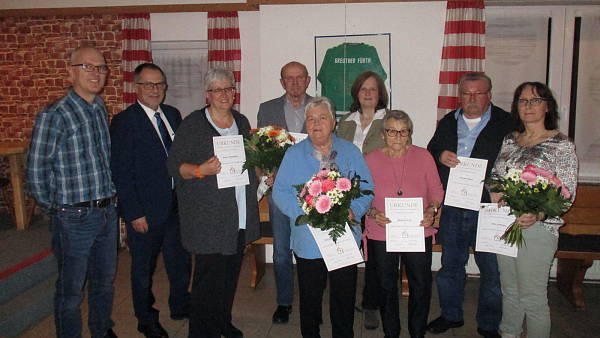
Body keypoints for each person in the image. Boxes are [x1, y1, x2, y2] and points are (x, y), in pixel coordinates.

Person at [26, 46, 118, 338]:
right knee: (71, 292)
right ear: (71, 72)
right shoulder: (55, 114)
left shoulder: (99, 107)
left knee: (104, 284)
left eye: (101, 68)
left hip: (106, 211)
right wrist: (56, 209)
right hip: (74, 216)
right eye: (88, 67)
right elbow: (37, 168)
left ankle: (101, 332)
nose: (96, 73)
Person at [166, 68, 260, 338]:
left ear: (234, 91)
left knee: (229, 278)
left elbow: (249, 161)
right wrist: (199, 170)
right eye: (217, 90)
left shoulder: (241, 121)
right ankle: (201, 332)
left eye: (228, 88)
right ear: (207, 95)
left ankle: (222, 323)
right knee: (207, 283)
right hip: (207, 220)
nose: (224, 94)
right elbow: (174, 166)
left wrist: (263, 173)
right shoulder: (193, 124)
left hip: (238, 215)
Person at [273, 97, 374, 338]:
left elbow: (367, 187)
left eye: (322, 118)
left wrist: (355, 210)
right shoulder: (294, 154)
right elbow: (280, 191)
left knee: (343, 295)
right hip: (308, 239)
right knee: (310, 297)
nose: (316, 123)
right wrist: (305, 213)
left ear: (333, 122)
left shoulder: (350, 151)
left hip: (344, 238)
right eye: (311, 119)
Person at [426, 72, 514, 338]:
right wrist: (441, 155)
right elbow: (431, 150)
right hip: (454, 205)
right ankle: (451, 315)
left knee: (492, 270)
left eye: (478, 93)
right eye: (467, 93)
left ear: (489, 94)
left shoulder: (507, 123)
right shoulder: (448, 121)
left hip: (490, 208)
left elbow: (517, 162)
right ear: (459, 95)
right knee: (451, 265)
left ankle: (488, 323)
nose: (472, 98)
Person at [110, 63, 191, 338]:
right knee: (143, 268)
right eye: (148, 84)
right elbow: (121, 172)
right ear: (137, 87)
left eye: (159, 84)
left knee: (179, 261)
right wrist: (133, 213)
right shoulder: (124, 122)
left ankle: (180, 305)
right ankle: (145, 318)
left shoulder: (172, 115)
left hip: (176, 206)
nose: (155, 90)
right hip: (144, 210)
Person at [491, 82, 577, 338]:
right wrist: (495, 190)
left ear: (547, 106)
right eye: (523, 101)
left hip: (539, 228)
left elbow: (567, 192)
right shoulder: (510, 140)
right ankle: (509, 334)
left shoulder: (561, 144)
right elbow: (496, 174)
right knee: (510, 291)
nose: (528, 106)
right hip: (505, 224)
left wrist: (538, 213)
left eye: (535, 100)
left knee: (533, 297)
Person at [364, 110, 444, 338]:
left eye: (403, 131)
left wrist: (432, 209)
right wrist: (372, 212)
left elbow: (437, 190)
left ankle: (417, 332)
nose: (397, 136)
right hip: (382, 231)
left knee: (420, 284)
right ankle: (392, 332)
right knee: (386, 286)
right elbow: (362, 194)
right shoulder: (371, 159)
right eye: (391, 131)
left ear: (409, 133)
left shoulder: (424, 157)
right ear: (383, 133)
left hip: (418, 229)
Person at [256, 61, 312, 324]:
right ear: (282, 82)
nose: (295, 83)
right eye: (289, 78)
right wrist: (264, 173)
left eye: (300, 77)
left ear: (308, 80)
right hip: (279, 193)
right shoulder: (267, 109)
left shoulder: (320, 107)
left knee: (310, 248)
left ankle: (312, 299)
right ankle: (284, 302)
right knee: (281, 251)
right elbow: (259, 150)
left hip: (312, 193)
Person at [336, 70, 388, 329]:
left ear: (381, 94)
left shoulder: (389, 119)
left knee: (376, 254)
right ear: (356, 93)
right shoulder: (345, 121)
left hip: (379, 193)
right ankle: (343, 299)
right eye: (363, 89)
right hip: (346, 195)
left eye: (373, 89)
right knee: (347, 249)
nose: (368, 93)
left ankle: (370, 303)